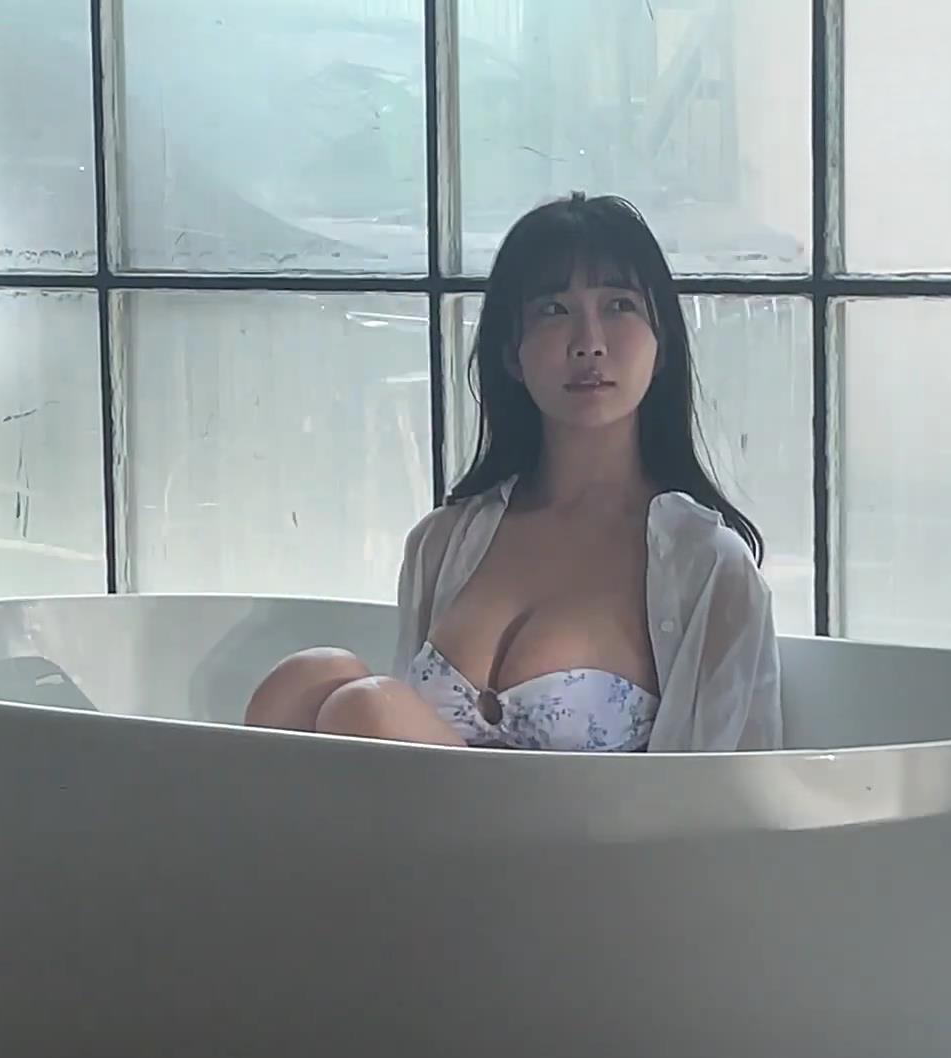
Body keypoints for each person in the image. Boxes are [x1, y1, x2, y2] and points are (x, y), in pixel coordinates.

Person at [243, 193, 782, 752]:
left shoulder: (707, 565)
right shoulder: (443, 542)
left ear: (661, 343)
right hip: (408, 809)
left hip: (592, 816)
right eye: (553, 310)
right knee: (311, 677)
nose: (589, 344)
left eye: (619, 306)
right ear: (511, 353)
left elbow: (735, 782)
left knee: (365, 706)